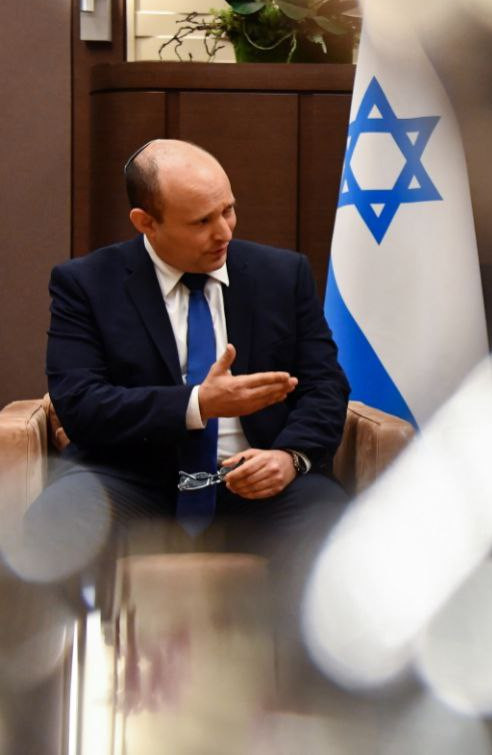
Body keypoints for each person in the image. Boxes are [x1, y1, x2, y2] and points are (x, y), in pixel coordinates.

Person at [27, 139, 350, 572]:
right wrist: (197, 404)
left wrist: (290, 458)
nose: (225, 232)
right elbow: (81, 404)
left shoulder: (282, 275)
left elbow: (325, 386)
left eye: (228, 210)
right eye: (202, 221)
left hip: (260, 481)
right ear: (146, 222)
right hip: (132, 481)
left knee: (337, 533)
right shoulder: (86, 285)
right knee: (53, 526)